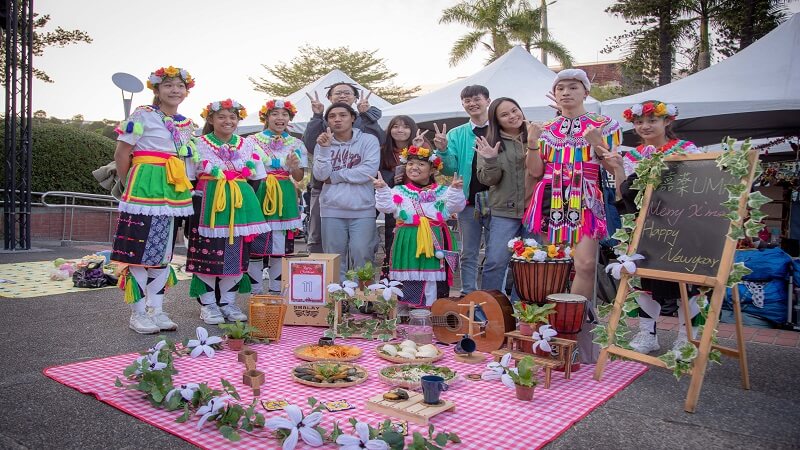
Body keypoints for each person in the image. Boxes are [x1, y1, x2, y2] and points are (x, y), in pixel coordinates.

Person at [522, 69, 624, 363]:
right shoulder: (545, 129)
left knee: (586, 264)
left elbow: (610, 167)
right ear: (555, 95)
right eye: (561, 88)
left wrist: (597, 144)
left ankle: (574, 328)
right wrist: (531, 142)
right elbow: (536, 170)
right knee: (553, 264)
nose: (566, 92)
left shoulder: (604, 125)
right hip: (550, 197)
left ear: (585, 92)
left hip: (586, 196)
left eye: (573, 87)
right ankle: (550, 327)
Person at [112, 66, 196, 334]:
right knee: (138, 252)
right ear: (157, 90)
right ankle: (137, 313)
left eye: (180, 86)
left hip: (172, 189)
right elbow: (122, 153)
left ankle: (156, 309)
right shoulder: (142, 114)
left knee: (163, 253)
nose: (175, 90)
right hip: (145, 186)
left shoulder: (186, 123)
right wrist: (129, 184)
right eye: (169, 85)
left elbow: (186, 158)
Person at [615, 100, 702, 354]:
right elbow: (625, 195)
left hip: (684, 226)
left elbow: (699, 186)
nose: (645, 126)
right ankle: (647, 335)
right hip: (645, 226)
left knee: (686, 284)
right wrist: (618, 169)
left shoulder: (687, 149)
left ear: (667, 121)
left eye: (652, 120)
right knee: (644, 282)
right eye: (639, 122)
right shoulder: (632, 156)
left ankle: (687, 339)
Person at [186, 99, 269, 325]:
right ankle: (209, 305)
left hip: (241, 206)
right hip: (208, 206)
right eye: (222, 116)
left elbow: (257, 177)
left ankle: (228, 302)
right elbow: (190, 178)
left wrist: (239, 197)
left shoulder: (248, 145)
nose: (228, 121)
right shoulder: (197, 143)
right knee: (207, 254)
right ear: (210, 119)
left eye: (232, 117)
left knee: (236, 253)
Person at [374, 139, 465, 307]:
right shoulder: (398, 191)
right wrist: (381, 189)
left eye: (421, 164)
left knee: (432, 277)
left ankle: (432, 309)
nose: (414, 167)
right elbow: (386, 207)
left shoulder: (443, 192)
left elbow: (456, 206)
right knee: (408, 276)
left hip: (435, 240)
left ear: (432, 169)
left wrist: (455, 190)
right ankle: (407, 308)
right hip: (407, 239)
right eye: (410, 163)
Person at [302, 83, 386, 253]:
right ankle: (326, 277)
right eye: (337, 93)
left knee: (361, 250)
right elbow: (310, 144)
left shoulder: (365, 123)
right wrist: (317, 115)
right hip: (324, 191)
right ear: (329, 98)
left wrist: (368, 115)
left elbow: (379, 143)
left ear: (355, 99)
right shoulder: (323, 123)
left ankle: (359, 280)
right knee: (321, 242)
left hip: (359, 197)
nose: (342, 96)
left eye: (347, 93)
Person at [434, 85, 492, 296]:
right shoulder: (456, 134)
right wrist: (442, 149)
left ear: (487, 100)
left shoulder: (500, 128)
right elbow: (449, 168)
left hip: (498, 200)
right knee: (469, 251)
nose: (472, 104)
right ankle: (469, 293)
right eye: (467, 101)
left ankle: (493, 295)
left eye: (476, 99)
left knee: (496, 253)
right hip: (468, 201)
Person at [312, 103, 380, 281]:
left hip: (362, 209)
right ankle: (338, 301)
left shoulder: (368, 140)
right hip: (331, 209)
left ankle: (363, 301)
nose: (337, 119)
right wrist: (325, 149)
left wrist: (335, 176)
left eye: (342, 115)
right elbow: (320, 175)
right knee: (334, 259)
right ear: (327, 121)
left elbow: (368, 171)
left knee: (363, 255)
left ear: (353, 118)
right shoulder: (322, 142)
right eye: (332, 116)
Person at [475, 97, 536, 295]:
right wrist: (490, 160)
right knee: (495, 262)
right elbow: (486, 179)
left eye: (514, 110)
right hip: (503, 212)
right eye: (504, 114)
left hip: (534, 212)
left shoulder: (537, 135)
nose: (512, 116)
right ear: (496, 120)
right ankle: (489, 310)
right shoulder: (489, 143)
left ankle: (524, 312)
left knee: (530, 264)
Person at [246, 100, 307, 294]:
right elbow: (247, 170)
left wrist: (294, 165)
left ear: (290, 118)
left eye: (284, 114)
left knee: (280, 246)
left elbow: (298, 176)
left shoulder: (296, 143)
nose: (280, 118)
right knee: (256, 243)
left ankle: (275, 292)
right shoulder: (252, 140)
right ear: (266, 117)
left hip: (285, 191)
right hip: (260, 188)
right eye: (275, 114)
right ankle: (255, 292)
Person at [378, 115, 431, 279]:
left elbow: (432, 172)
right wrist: (391, 179)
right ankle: (391, 280)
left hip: (419, 201)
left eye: (405, 126)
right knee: (392, 239)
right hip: (395, 201)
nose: (400, 130)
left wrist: (418, 148)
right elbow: (378, 174)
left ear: (412, 129)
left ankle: (417, 280)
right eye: (395, 126)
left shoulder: (423, 145)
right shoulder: (383, 150)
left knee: (417, 240)